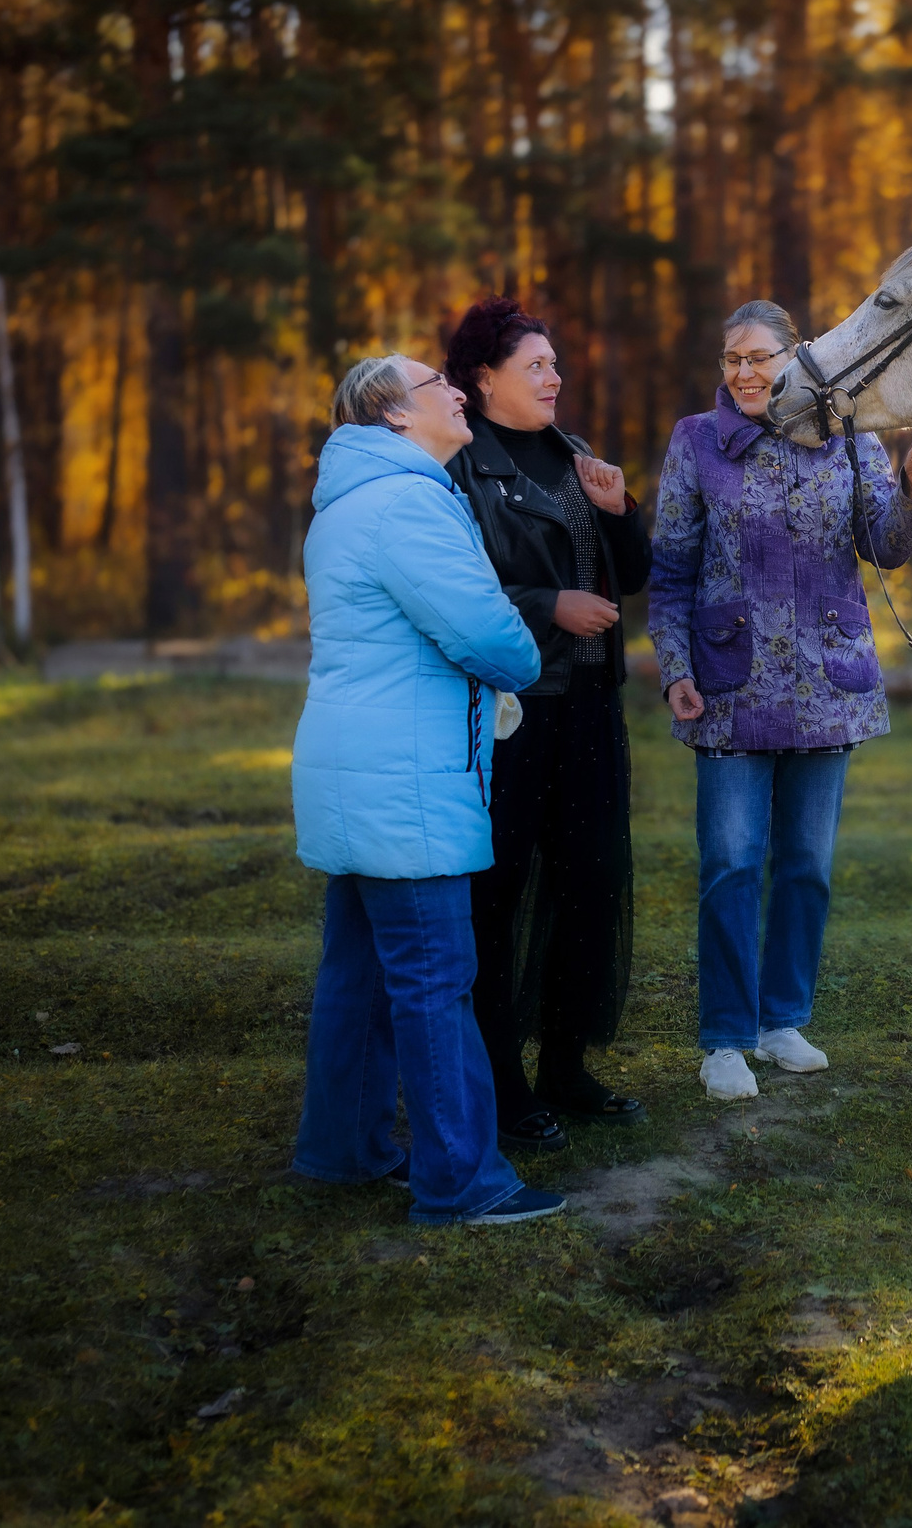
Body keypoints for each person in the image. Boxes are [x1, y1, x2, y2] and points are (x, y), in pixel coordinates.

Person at [288, 353, 567, 1227]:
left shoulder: (344, 506)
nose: (456, 391)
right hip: (402, 779)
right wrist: (524, 657)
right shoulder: (409, 503)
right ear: (393, 416)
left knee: (360, 975)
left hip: (351, 771)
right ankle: (460, 1180)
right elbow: (486, 631)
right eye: (435, 384)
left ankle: (344, 1148)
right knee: (435, 979)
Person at [647, 300, 912, 1101]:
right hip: (727, 687)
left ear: (795, 357)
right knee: (731, 864)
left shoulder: (850, 436)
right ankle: (724, 1038)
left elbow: (885, 545)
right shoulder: (695, 442)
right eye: (731, 358)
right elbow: (670, 572)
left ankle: (782, 1022)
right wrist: (674, 664)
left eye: (759, 357)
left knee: (807, 866)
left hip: (827, 683)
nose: (744, 373)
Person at [443, 298, 653, 1153]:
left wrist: (618, 514)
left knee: (591, 881)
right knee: (497, 894)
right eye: (535, 365)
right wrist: (547, 606)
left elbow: (631, 576)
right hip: (513, 711)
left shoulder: (574, 457)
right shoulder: (459, 469)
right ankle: (503, 1080)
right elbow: (453, 589)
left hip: (593, 705)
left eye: (555, 363)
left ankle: (566, 1063)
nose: (554, 376)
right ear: (483, 378)